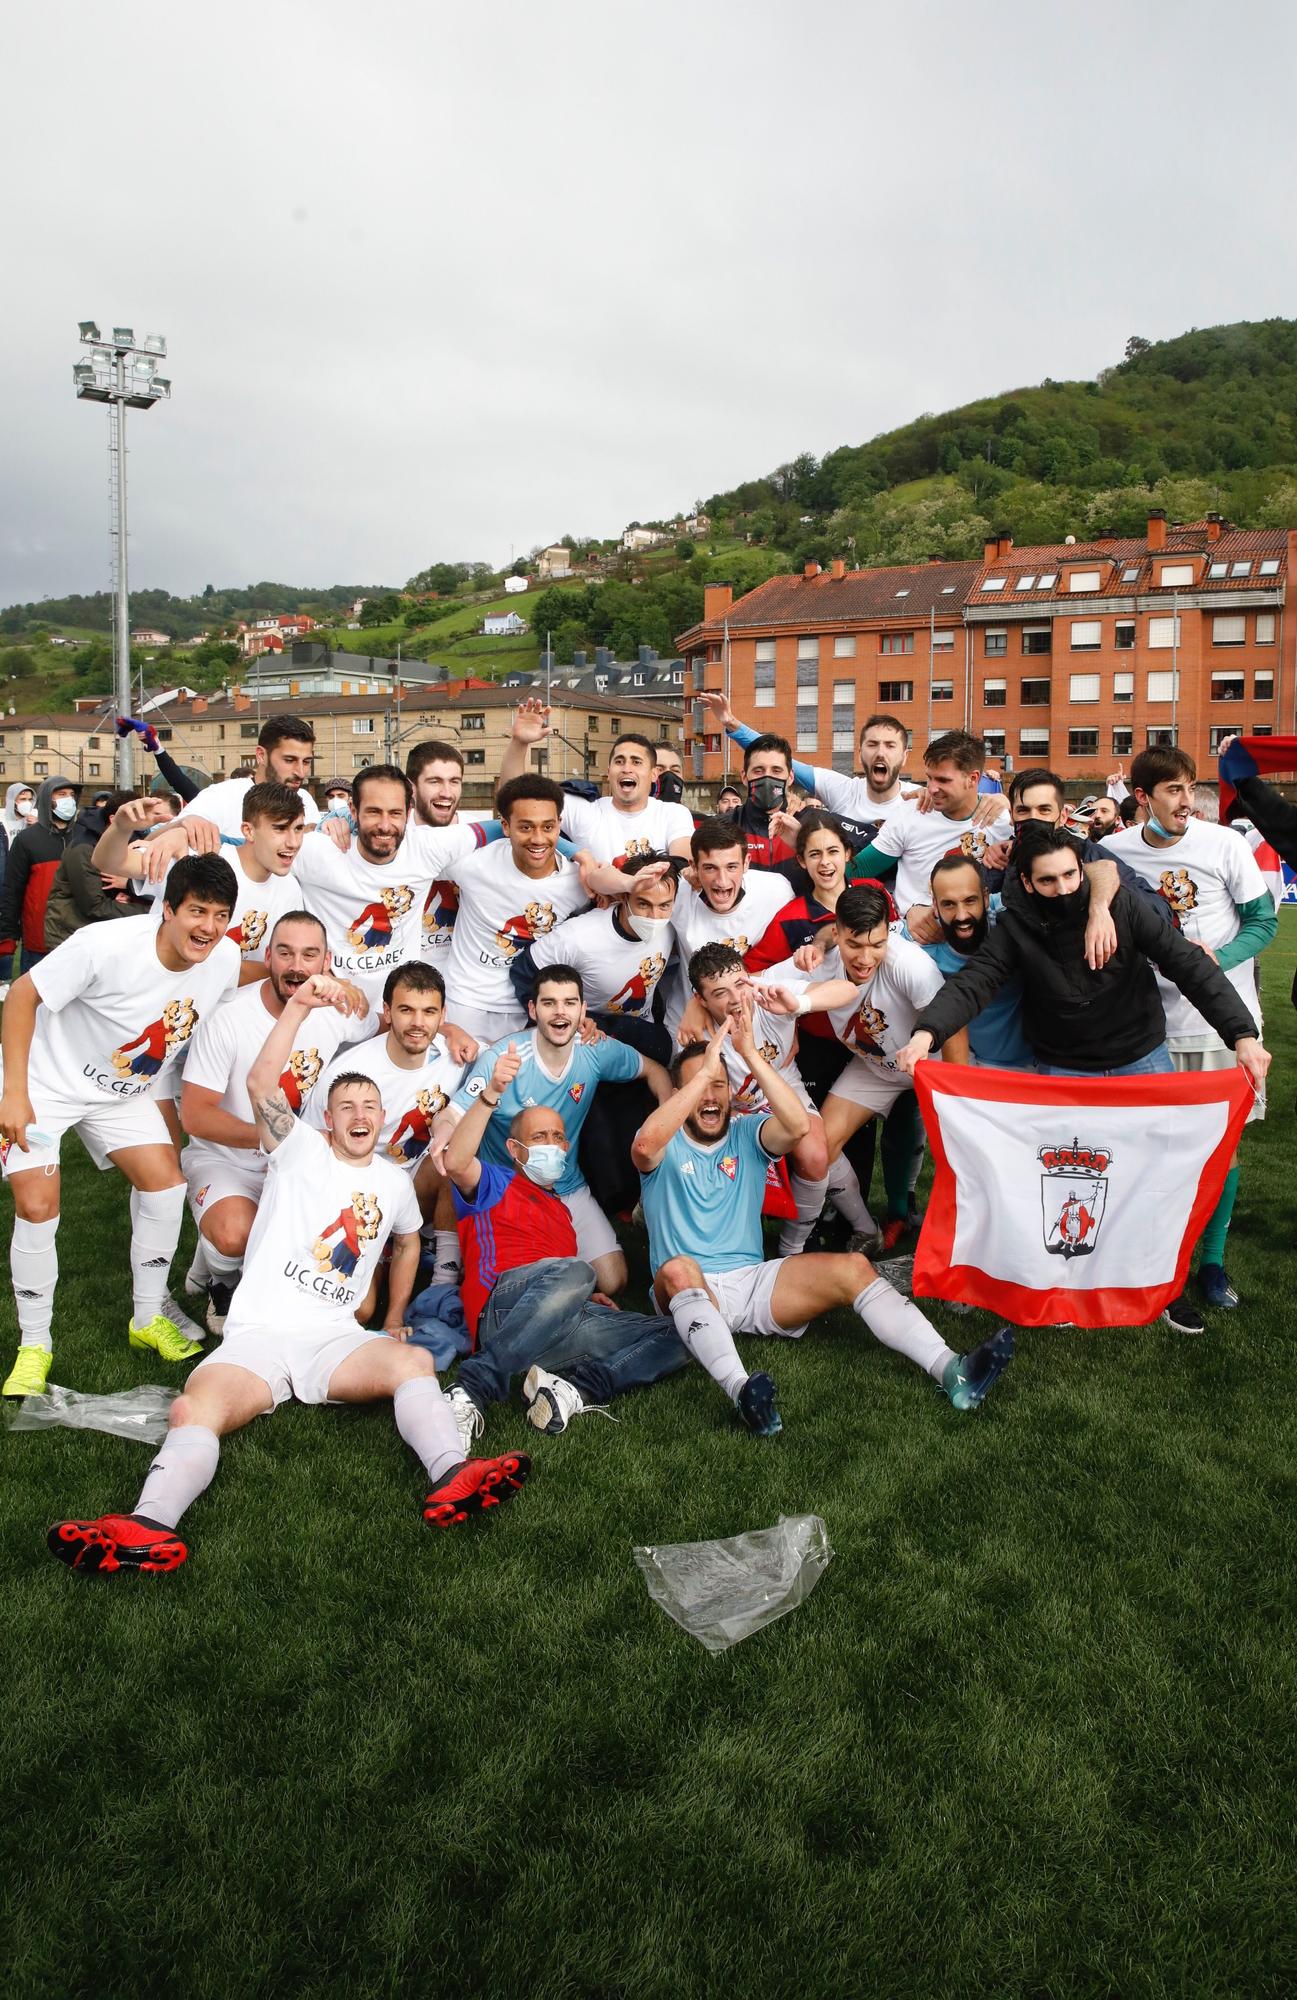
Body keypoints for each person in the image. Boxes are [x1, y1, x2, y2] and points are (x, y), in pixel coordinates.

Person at [45, 973, 531, 1575]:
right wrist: (298, 1008)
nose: (359, 1115)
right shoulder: (297, 1148)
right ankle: (148, 1526)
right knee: (194, 1408)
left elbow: (408, 1243)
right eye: (346, 1107)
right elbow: (259, 1084)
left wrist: (398, 1316)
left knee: (413, 1362)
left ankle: (453, 1475)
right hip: (261, 1333)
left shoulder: (392, 1182)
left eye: (369, 1108)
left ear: (383, 1118)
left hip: (335, 1338)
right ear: (326, 1119)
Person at [894, 821, 1271, 1335]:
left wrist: (1241, 1034)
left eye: (1071, 876)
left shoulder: (1121, 904)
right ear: (1026, 884)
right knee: (1066, 1182)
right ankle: (1065, 1285)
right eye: (1048, 881)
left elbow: (1189, 966)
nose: (1064, 889)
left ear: (1082, 870)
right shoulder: (1016, 925)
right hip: (1065, 1071)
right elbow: (977, 981)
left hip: (1140, 1056)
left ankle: (1167, 1289)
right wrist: (925, 1036)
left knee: (1159, 1181)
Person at [633, 1013, 1013, 1436]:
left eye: (718, 1085)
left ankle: (952, 1370)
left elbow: (798, 1126)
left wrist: (751, 1057)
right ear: (681, 1094)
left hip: (752, 1282)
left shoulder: (746, 1131)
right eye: (698, 1086)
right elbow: (646, 1144)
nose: (709, 1094)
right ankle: (743, 1393)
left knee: (852, 1267)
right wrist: (703, 1073)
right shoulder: (663, 1141)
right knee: (678, 1268)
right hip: (686, 1288)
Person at [0, 854, 244, 1398]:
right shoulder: (105, 945)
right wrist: (14, 1092)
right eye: (196, 911)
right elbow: (21, 995)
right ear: (168, 910)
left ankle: (145, 1317)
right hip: (44, 1085)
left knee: (166, 1183)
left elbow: (235, 985)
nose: (208, 926)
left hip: (118, 1093)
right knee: (38, 1205)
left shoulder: (224, 958)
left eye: (220, 914)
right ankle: (34, 1345)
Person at [439, 1045, 688, 1449]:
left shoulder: (562, 1210)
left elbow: (559, 1277)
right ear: (514, 1150)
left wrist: (583, 1298)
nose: (552, 1144)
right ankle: (476, 1385)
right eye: (539, 1137)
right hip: (501, 1308)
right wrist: (490, 1095)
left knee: (685, 1331)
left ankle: (574, 1390)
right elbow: (455, 1161)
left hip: (557, 1323)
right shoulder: (495, 1181)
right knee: (577, 1269)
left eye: (558, 1137)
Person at [1104, 746, 1278, 1310]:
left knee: (1220, 1150)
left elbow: (1263, 921)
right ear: (1142, 798)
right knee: (1150, 1150)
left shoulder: (1225, 844)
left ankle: (1212, 1262)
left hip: (1218, 1025)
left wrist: (1215, 961)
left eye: (1191, 787)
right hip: (1143, 1027)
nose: (1187, 801)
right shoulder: (1112, 853)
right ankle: (1160, 1259)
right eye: (1173, 790)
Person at [755, 884, 968, 1252]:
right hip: (874, 1068)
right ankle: (855, 1230)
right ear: (836, 934)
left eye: (877, 944)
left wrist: (956, 1093)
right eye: (855, 945)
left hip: (929, 1066)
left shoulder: (909, 964)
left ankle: (961, 1245)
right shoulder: (819, 957)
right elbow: (752, 984)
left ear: (889, 933)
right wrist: (698, 1002)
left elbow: (954, 1021)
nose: (866, 957)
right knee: (821, 1146)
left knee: (960, 1153)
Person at [437, 964, 671, 1296]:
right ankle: (452, 1267)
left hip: (566, 1184)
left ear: (582, 1009)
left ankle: (563, 1265)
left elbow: (654, 1070)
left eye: (569, 1003)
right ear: (533, 1009)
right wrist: (441, 1139)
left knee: (614, 1280)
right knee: (513, 1286)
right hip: (508, 1188)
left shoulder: (594, 1050)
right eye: (549, 1003)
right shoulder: (504, 1058)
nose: (560, 1012)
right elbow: (451, 1115)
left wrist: (664, 1114)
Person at [180, 910, 365, 1331]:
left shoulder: (334, 1010)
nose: (297, 966)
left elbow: (380, 1018)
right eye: (285, 953)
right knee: (235, 1235)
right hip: (225, 1157)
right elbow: (193, 1115)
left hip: (289, 1161)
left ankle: (210, 1253)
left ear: (326, 962)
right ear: (268, 956)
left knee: (330, 1266)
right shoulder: (229, 1017)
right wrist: (271, 1140)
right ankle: (221, 1278)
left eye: (309, 955)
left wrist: (445, 1030)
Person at [687, 942, 872, 1255]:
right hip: (732, 1113)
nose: (735, 1000)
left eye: (740, 985)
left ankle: (794, 1248)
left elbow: (847, 990)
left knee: (815, 1155)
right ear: (700, 1000)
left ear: (750, 977)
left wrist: (797, 1004)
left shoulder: (770, 993)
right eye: (719, 993)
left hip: (785, 1089)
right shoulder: (692, 1033)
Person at [439, 774, 637, 1046]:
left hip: (532, 1010)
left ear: (560, 825)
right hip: (464, 1003)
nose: (538, 838)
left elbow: (614, 890)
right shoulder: (472, 863)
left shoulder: (579, 880)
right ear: (505, 827)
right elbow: (412, 850)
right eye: (525, 827)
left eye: (548, 827)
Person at [308, 962, 466, 1289]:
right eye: (406, 1010)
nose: (418, 1023)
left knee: (454, 1157)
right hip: (363, 1189)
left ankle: (444, 1282)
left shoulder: (457, 1055)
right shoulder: (351, 1072)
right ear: (387, 1011)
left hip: (417, 1178)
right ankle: (386, 1252)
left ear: (443, 1014)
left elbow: (508, 1064)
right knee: (362, 1308)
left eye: (429, 1012)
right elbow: (313, 1146)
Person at [97, 783, 308, 964]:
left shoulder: (290, 889)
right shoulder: (200, 860)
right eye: (280, 829)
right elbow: (109, 862)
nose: (293, 842)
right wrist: (121, 827)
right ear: (248, 830)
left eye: (298, 829)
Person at [845, 731, 1013, 944]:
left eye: (943, 780)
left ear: (973, 779)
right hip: (914, 940)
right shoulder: (910, 814)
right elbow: (858, 869)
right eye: (929, 778)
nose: (931, 789)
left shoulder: (999, 819)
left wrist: (1007, 802)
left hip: (979, 941)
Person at [511, 853, 680, 1058]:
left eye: (664, 905)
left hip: (643, 1030)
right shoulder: (578, 936)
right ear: (623, 897)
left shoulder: (673, 924)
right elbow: (524, 973)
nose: (654, 917)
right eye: (643, 904)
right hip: (589, 1035)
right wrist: (570, 1018)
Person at [705, 694, 917, 849]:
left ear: (905, 755)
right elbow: (780, 761)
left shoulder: (920, 801)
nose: (880, 753)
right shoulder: (843, 789)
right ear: (860, 752)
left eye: (890, 745)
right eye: (872, 745)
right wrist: (732, 725)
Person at [505, 708, 694, 861]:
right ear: (608, 771)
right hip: (596, 908)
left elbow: (681, 863)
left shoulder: (673, 814)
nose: (627, 768)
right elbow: (515, 800)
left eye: (636, 762)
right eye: (619, 761)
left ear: (654, 774)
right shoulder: (585, 811)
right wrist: (519, 743)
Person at [665, 817, 792, 1035]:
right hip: (689, 1025)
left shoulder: (776, 890)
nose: (722, 881)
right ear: (693, 866)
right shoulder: (676, 895)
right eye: (710, 868)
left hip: (753, 1019)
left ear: (747, 863)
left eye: (732, 867)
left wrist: (792, 1027)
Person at [920, 856, 1034, 1070]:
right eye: (948, 904)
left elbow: (1094, 873)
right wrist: (913, 911)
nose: (961, 915)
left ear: (985, 897)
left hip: (1047, 1058)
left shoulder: (1008, 910)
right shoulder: (921, 939)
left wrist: (1098, 910)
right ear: (934, 906)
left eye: (970, 901)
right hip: (981, 1065)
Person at [172, 714, 320, 836]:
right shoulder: (220, 796)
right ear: (261, 755)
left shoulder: (305, 799)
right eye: (289, 760)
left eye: (306, 762)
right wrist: (182, 826)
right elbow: (156, 840)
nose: (300, 772)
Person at [43, 789, 154, 949]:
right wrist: (149, 910)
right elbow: (94, 907)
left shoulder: (132, 840)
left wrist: (129, 889)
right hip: (71, 935)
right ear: (114, 819)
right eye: (140, 816)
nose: (146, 821)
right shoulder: (84, 849)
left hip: (100, 933)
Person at [0, 777, 83, 972]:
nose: (68, 800)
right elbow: (12, 890)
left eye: (71, 795)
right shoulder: (27, 840)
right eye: (61, 794)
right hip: (39, 939)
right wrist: (7, 935)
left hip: (79, 937)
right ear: (47, 799)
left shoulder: (84, 837)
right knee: (35, 999)